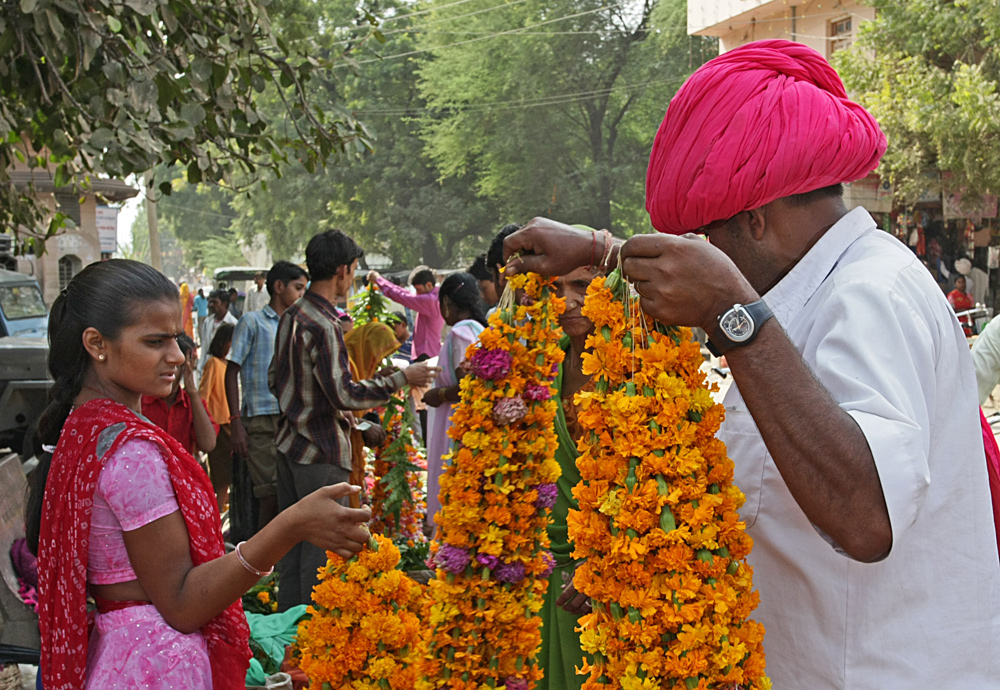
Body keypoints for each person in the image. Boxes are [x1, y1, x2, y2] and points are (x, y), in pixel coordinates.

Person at [504, 39, 1000, 689]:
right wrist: (605, 249)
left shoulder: (868, 294)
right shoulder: (814, 288)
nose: (704, 253)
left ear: (758, 220)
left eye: (710, 236)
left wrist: (734, 313)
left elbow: (866, 516)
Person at [27, 259, 373, 689]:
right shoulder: (131, 453)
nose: (177, 356)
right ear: (97, 344)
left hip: (121, 654)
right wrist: (292, 524)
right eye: (155, 342)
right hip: (153, 666)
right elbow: (183, 604)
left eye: (176, 338)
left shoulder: (82, 426)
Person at [270, 230, 439, 610]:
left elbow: (274, 380)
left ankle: (291, 641)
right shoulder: (323, 324)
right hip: (320, 451)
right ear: (344, 270)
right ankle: (312, 646)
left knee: (293, 553)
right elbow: (343, 394)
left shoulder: (292, 315)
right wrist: (402, 378)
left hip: (289, 445)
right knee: (320, 560)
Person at [538, 262, 603, 690]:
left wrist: (602, 565)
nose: (567, 300)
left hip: (612, 563)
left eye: (581, 284)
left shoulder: (638, 365)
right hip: (546, 558)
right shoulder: (542, 361)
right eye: (555, 287)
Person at [226, 261, 309, 532]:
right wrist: (236, 421)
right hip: (260, 419)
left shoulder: (296, 325)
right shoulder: (252, 322)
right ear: (278, 287)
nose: (300, 294)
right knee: (269, 494)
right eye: (297, 288)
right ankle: (262, 566)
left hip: (290, 418)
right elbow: (231, 371)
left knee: (287, 494)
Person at [421, 273, 488, 530]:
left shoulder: (461, 332)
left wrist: (436, 395)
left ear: (446, 303)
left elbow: (469, 384)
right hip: (469, 424)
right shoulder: (479, 330)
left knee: (452, 490)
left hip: (456, 424)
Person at [141, 333, 218, 457]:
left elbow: (208, 444)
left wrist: (192, 391)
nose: (168, 371)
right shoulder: (141, 401)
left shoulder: (192, 403)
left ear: (184, 368)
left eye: (175, 366)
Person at [366, 267, 444, 361]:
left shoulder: (430, 301)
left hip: (425, 355)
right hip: (430, 352)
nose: (417, 294)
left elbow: (402, 296)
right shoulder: (435, 297)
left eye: (419, 290)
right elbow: (405, 294)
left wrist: (379, 279)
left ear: (428, 285)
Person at [199, 323, 235, 512]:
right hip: (219, 425)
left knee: (228, 474)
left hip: (228, 423)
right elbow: (203, 395)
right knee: (221, 476)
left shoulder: (226, 365)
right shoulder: (213, 363)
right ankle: (217, 514)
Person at [198, 289, 237, 373]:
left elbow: (233, 352)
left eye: (215, 302)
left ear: (224, 304)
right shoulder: (208, 322)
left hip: (224, 370)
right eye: (210, 302)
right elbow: (204, 347)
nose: (211, 305)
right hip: (208, 367)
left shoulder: (233, 324)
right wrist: (200, 368)